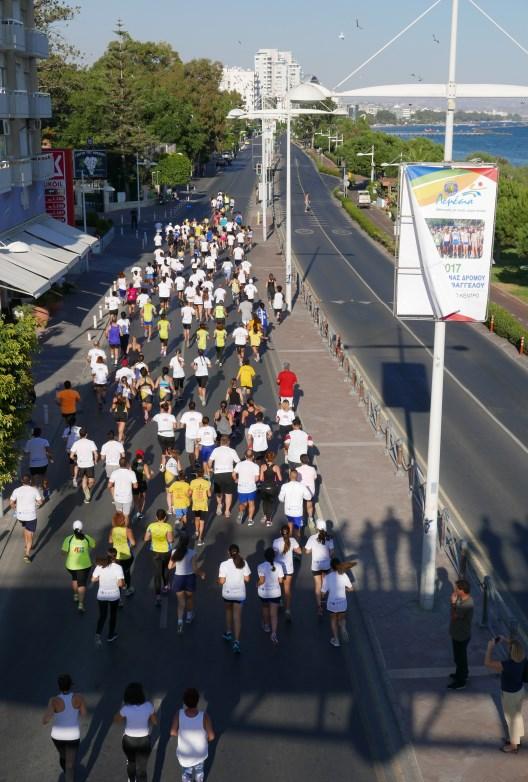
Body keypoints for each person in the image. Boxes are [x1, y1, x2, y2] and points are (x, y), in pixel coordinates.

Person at [484, 636, 526, 752]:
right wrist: (505, 640)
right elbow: (516, 645)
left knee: (511, 719)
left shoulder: (508, 665)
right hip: (519, 691)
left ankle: (513, 746)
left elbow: (487, 663)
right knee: (517, 716)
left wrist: (490, 648)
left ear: (511, 652)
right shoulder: (523, 659)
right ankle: (517, 739)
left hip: (509, 695)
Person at [42, 673, 86, 782]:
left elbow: (45, 720)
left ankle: (67, 770)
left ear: (59, 686)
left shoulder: (53, 700)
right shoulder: (79, 697)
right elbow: (84, 713)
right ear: (71, 685)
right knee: (70, 764)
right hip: (72, 736)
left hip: (57, 737)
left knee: (63, 757)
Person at [114, 682, 157, 782]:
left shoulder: (126, 708)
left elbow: (117, 720)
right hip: (144, 741)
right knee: (142, 768)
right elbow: (155, 722)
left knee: (131, 762)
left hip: (129, 740)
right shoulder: (148, 706)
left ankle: (131, 779)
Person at [171, 688, 215, 782]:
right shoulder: (205, 716)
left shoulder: (179, 714)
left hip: (185, 755)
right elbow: (212, 736)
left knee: (186, 773)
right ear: (197, 700)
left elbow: (173, 732)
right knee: (199, 771)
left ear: (184, 701)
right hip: (200, 754)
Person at [169, 532, 205, 633]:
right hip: (189, 578)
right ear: (188, 542)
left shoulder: (174, 552)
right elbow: (194, 569)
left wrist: (178, 563)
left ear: (179, 541)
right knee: (189, 598)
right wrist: (202, 574)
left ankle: (180, 622)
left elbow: (169, 566)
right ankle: (189, 617)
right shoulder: (192, 553)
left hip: (178, 579)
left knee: (181, 603)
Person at [218, 544, 251, 654]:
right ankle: (237, 641)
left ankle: (228, 633)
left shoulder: (223, 564)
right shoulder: (243, 563)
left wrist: (217, 581)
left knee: (228, 612)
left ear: (228, 552)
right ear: (238, 552)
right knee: (237, 617)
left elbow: (221, 581)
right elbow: (247, 579)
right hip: (240, 594)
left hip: (227, 594)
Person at [61, 520, 96, 612]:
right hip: (84, 566)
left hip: (71, 566)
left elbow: (63, 553)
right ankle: (80, 604)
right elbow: (94, 545)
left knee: (74, 579)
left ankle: (76, 595)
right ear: (82, 528)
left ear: (73, 528)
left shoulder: (68, 539)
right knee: (82, 584)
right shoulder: (86, 538)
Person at [92, 552, 125, 645]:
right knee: (113, 615)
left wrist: (101, 577)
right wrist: (124, 585)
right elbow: (120, 584)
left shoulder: (100, 566)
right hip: (114, 595)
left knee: (102, 615)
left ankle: (98, 633)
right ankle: (110, 635)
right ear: (116, 557)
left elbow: (93, 579)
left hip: (102, 595)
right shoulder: (118, 568)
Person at [322, 557, 356, 647]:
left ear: (331, 567)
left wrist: (322, 597)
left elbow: (323, 591)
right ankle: (343, 626)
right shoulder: (344, 575)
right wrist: (345, 588)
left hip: (332, 603)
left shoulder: (327, 577)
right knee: (341, 617)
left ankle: (336, 640)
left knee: (333, 620)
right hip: (342, 602)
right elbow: (351, 589)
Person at [304, 520, 335, 615]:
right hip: (326, 564)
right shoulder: (329, 539)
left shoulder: (312, 538)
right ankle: (323, 598)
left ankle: (319, 607)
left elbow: (307, 551)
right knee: (324, 583)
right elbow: (332, 552)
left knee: (318, 584)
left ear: (316, 528)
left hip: (316, 565)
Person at [448, 579, 474, 690]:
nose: (455, 590)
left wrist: (453, 603)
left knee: (460, 658)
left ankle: (461, 681)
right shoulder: (461, 598)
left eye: (457, 589)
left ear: (462, 590)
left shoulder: (466, 604)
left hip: (461, 635)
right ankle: (461, 674)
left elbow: (454, 616)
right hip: (457, 633)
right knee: (459, 657)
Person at [10, 474, 43, 563]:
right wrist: (35, 504)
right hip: (30, 516)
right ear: (30, 481)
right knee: (30, 534)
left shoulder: (16, 490)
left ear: (22, 481)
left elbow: (11, 503)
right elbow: (40, 502)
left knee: (26, 529)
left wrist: (16, 508)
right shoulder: (34, 490)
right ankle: (27, 553)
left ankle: (26, 544)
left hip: (20, 516)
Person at [144, 509, 174, 606]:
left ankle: (158, 596)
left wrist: (154, 536)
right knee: (165, 569)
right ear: (165, 517)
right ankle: (166, 586)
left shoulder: (151, 526)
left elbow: (146, 538)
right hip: (165, 551)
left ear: (156, 517)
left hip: (155, 551)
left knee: (157, 573)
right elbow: (170, 540)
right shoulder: (168, 527)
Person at [273, 525, 302, 619]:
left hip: (278, 568)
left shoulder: (276, 542)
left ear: (280, 532)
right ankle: (288, 610)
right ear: (289, 532)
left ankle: (280, 601)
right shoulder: (293, 541)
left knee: (278, 585)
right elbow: (299, 551)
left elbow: (273, 554)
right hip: (289, 569)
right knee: (287, 589)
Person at [257, 547, 285, 645]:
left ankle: (266, 625)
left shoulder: (260, 566)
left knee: (265, 608)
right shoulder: (279, 566)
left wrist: (257, 584)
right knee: (274, 614)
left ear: (265, 556)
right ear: (274, 556)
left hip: (264, 592)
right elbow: (281, 581)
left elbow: (262, 580)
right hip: (275, 593)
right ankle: (273, 633)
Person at [208, 436, 240, 518]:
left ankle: (219, 505)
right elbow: (238, 463)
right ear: (228, 442)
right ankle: (227, 511)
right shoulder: (232, 451)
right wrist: (235, 471)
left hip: (218, 474)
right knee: (228, 494)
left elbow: (210, 461)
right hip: (229, 474)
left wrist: (211, 468)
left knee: (218, 492)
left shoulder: (216, 450)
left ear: (220, 442)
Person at [278, 468, 311, 539]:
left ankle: (289, 543)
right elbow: (309, 497)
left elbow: (280, 499)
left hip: (288, 511)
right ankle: (296, 544)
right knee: (296, 529)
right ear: (297, 477)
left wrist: (285, 500)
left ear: (289, 476)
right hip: (297, 512)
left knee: (289, 525)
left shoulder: (285, 486)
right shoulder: (302, 486)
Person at [109, 511, 136, 598]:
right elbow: (133, 543)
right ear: (123, 521)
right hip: (126, 556)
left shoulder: (112, 530)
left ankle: (119, 597)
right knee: (126, 573)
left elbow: (110, 541)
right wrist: (128, 546)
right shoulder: (127, 530)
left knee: (118, 575)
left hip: (115, 556)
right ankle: (127, 589)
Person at [70, 428, 98, 503]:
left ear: (79, 435)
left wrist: (76, 460)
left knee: (87, 480)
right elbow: (95, 453)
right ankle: (87, 496)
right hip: (88, 465)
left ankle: (87, 492)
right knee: (90, 481)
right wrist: (95, 461)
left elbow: (71, 456)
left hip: (84, 465)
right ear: (86, 434)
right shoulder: (91, 442)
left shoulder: (76, 443)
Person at [233, 450, 260, 526]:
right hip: (251, 488)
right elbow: (257, 478)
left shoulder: (239, 464)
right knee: (251, 503)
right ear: (253, 456)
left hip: (241, 488)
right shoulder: (256, 466)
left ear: (245, 456)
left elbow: (233, 474)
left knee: (243, 503)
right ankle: (250, 520)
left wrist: (236, 480)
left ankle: (241, 512)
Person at [108, 458, 138, 524]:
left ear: (119, 464)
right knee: (126, 515)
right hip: (127, 498)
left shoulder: (114, 473)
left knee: (119, 514)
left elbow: (109, 485)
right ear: (127, 464)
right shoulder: (131, 473)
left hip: (117, 498)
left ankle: (119, 528)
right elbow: (135, 486)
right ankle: (125, 530)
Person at [189, 467, 211, 547]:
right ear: (203, 474)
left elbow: (190, 493)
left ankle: (196, 531)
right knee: (202, 521)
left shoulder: (192, 482)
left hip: (196, 503)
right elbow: (209, 495)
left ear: (197, 474)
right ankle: (200, 539)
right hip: (203, 504)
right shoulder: (206, 483)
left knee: (196, 518)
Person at [259, 452, 282, 527]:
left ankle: (265, 516)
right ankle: (268, 520)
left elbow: (261, 478)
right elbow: (280, 478)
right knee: (271, 504)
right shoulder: (276, 467)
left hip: (264, 487)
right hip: (272, 487)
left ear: (266, 458)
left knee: (265, 502)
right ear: (273, 458)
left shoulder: (262, 466)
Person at [152, 401, 177, 471]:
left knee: (163, 452)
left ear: (162, 409)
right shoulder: (172, 416)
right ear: (168, 409)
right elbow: (175, 426)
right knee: (170, 452)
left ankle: (162, 468)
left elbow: (152, 419)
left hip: (161, 436)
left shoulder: (158, 416)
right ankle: (172, 467)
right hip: (170, 436)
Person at [179, 400, 203, 468]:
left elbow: (181, 426)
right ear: (195, 407)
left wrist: (186, 425)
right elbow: (201, 425)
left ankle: (193, 466)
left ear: (188, 407)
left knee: (190, 452)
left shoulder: (185, 415)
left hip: (189, 436)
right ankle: (196, 461)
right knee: (197, 447)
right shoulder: (199, 414)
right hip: (197, 435)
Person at [297, 454, 317, 529]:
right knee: (310, 505)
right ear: (308, 460)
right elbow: (314, 478)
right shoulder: (312, 469)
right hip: (310, 491)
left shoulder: (297, 469)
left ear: (300, 461)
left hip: (301, 491)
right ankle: (311, 519)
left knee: (300, 505)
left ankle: (301, 519)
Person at [131, 449, 151, 520]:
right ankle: (139, 512)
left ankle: (136, 510)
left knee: (136, 499)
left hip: (134, 483)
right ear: (142, 456)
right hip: (142, 483)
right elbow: (148, 477)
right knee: (142, 498)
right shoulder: (144, 465)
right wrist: (150, 473)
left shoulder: (133, 463)